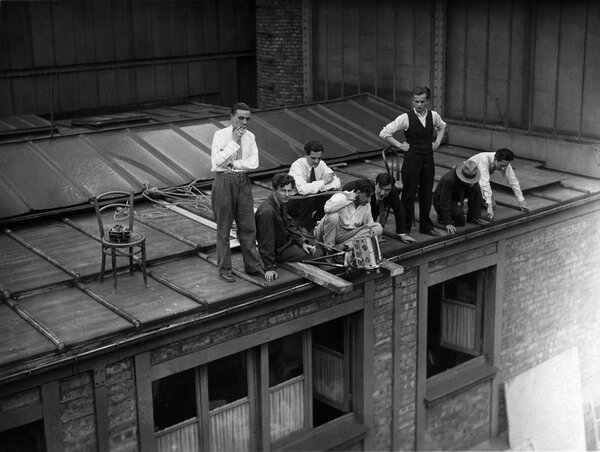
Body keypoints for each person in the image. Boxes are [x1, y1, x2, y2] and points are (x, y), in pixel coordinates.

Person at [379, 86, 447, 236]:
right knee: (409, 194)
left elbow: (442, 127)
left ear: (427, 101)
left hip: (428, 159)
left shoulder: (434, 116)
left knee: (426, 193)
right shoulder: (405, 117)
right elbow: (384, 133)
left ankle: (426, 226)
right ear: (412, 101)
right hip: (412, 159)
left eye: (422, 101)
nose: (419, 105)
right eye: (416, 101)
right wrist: (399, 145)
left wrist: (437, 142)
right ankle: (405, 228)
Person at [211, 102, 264, 283]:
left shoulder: (250, 137)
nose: (244, 122)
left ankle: (253, 266)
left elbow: (253, 163)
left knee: (248, 226)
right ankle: (225, 269)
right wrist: (234, 141)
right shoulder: (220, 135)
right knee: (223, 228)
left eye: (247, 119)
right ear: (231, 117)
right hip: (224, 180)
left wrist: (234, 163)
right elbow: (217, 162)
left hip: (242, 180)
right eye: (240, 118)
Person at [255, 173, 323, 283]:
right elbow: (265, 241)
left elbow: (290, 225)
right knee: (318, 253)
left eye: (289, 191)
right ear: (274, 191)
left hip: (288, 242)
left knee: (317, 245)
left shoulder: (281, 202)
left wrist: (302, 242)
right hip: (280, 250)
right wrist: (269, 267)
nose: (287, 194)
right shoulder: (267, 212)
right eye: (283, 191)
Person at [343, 173, 416, 244]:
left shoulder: (393, 191)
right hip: (349, 217)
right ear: (375, 184)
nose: (382, 193)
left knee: (377, 227)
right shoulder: (363, 190)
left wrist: (402, 234)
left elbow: (399, 209)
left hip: (371, 214)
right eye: (380, 188)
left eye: (387, 190)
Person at [313, 179, 383, 250]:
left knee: (377, 228)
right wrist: (349, 200)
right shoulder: (341, 196)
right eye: (367, 196)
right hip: (328, 232)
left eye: (371, 196)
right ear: (358, 192)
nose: (369, 200)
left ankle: (343, 246)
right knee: (332, 216)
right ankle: (329, 248)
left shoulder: (366, 204)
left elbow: (369, 225)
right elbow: (327, 209)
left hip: (347, 235)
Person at [287, 140, 341, 229]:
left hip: (311, 199)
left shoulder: (321, 164)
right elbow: (303, 190)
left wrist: (318, 188)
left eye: (319, 158)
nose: (316, 161)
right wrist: (323, 182)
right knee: (309, 195)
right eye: (313, 158)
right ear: (306, 155)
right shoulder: (297, 166)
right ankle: (304, 228)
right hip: (294, 202)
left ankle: (317, 223)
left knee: (333, 194)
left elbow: (336, 182)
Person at [468, 148, 529, 219]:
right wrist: (489, 206)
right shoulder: (483, 159)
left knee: (492, 204)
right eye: (502, 166)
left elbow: (512, 180)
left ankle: (473, 200)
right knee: (486, 204)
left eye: (505, 166)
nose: (503, 168)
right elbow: (484, 183)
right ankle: (466, 201)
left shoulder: (504, 162)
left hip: (477, 181)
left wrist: (521, 200)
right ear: (495, 159)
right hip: (466, 181)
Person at [432, 160, 490, 235]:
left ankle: (473, 217)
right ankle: (442, 218)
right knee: (459, 216)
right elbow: (444, 201)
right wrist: (448, 223)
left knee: (476, 189)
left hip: (458, 194)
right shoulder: (449, 180)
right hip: (442, 199)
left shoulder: (472, 175)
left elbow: (476, 197)